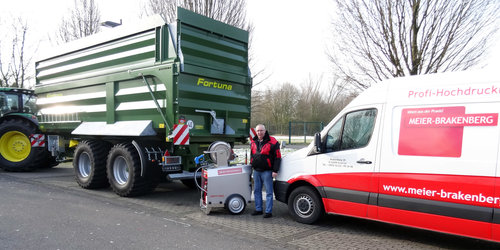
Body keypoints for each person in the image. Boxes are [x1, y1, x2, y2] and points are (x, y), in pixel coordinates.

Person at [250, 124, 281, 218]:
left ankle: (268, 211)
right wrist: (252, 164)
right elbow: (252, 154)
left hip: (267, 171)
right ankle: (258, 209)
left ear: (265, 131)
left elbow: (278, 157)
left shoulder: (273, 141)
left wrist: (275, 170)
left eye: (261, 130)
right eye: (258, 131)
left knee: (269, 192)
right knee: (256, 191)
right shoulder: (253, 141)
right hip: (256, 171)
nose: (259, 132)